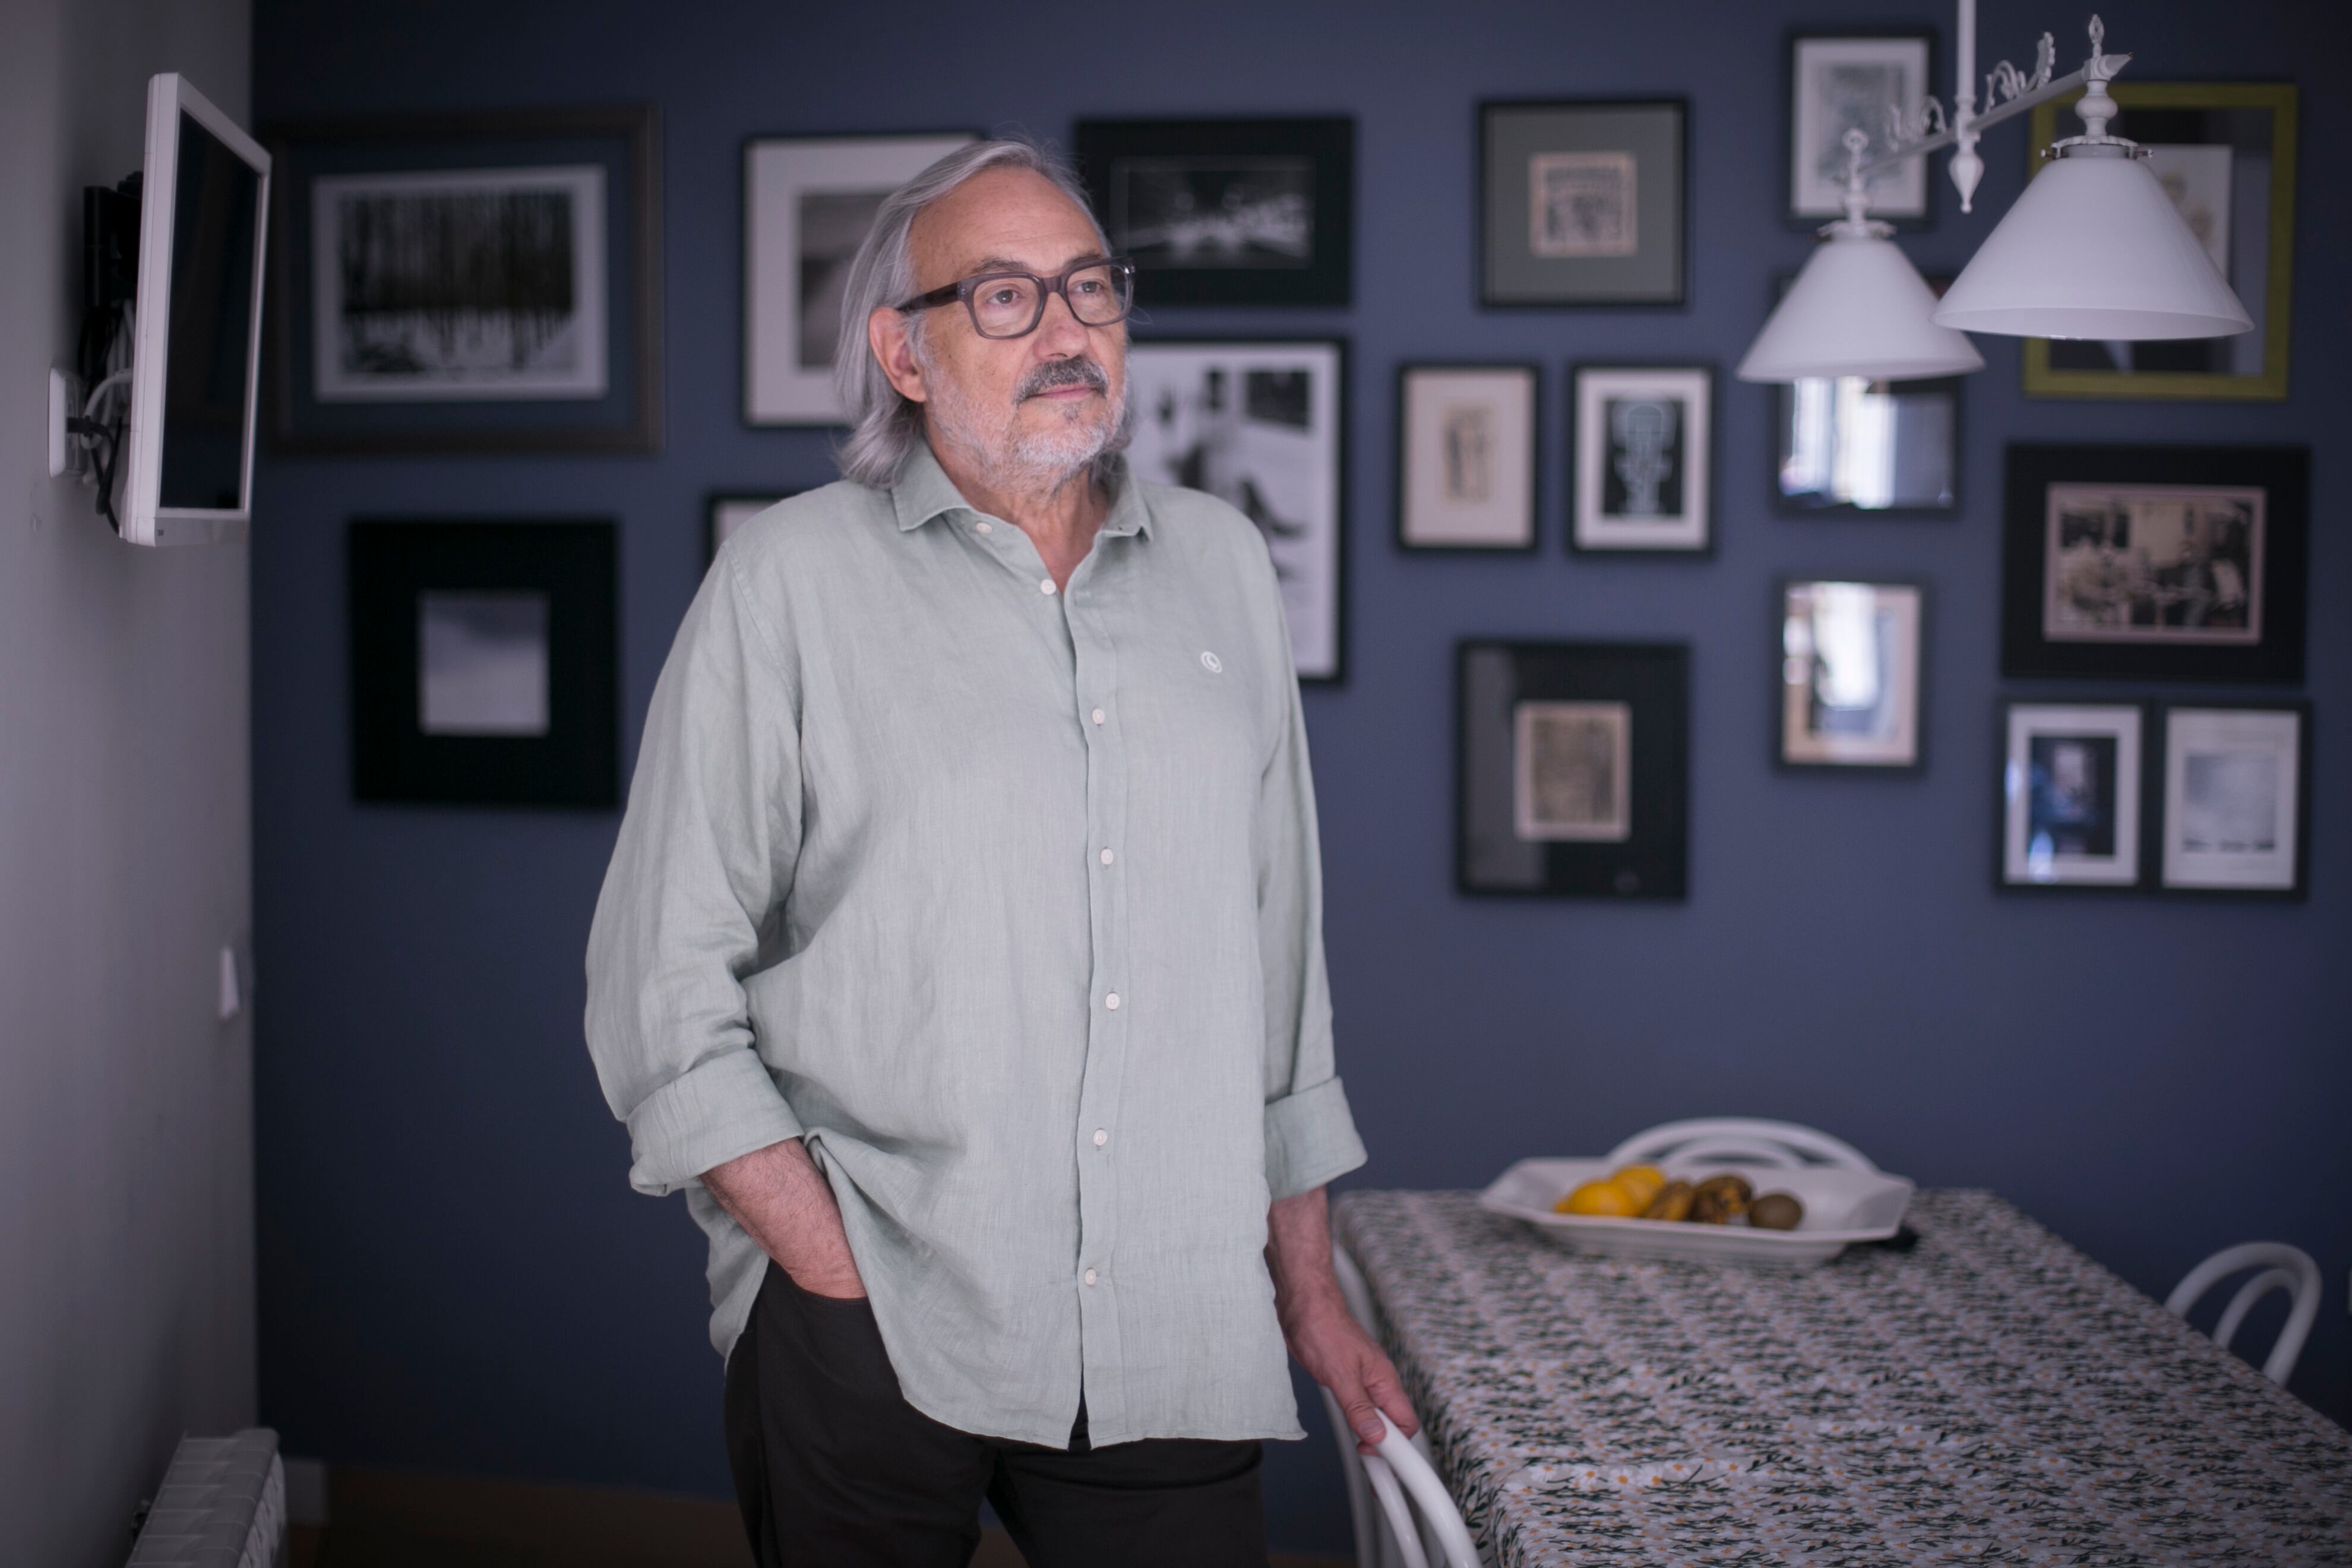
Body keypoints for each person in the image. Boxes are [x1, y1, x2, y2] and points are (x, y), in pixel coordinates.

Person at [582, 137, 1413, 1568]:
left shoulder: (1222, 563)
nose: (1070, 330)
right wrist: (826, 1264)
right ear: (905, 356)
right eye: (1009, 298)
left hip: (1170, 1316)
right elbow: (660, 983)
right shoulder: (789, 578)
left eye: (1091, 289)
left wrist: (1310, 1293)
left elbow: (1282, 977)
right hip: (881, 1307)